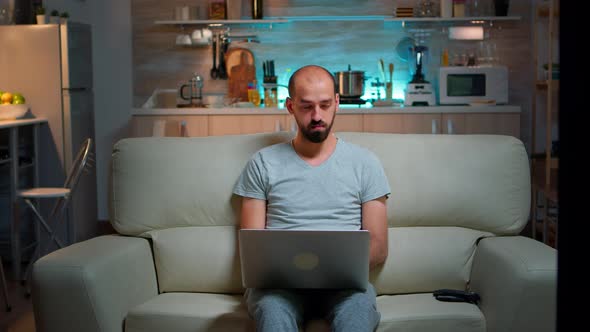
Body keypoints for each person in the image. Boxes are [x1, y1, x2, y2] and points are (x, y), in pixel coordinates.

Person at [233, 65, 391, 331]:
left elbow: (378, 246)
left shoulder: (366, 163)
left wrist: (332, 271)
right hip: (278, 289)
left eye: (325, 105)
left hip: (346, 288)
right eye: (306, 107)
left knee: (357, 313)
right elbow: (252, 244)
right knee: (272, 313)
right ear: (290, 106)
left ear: (337, 103)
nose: (317, 116)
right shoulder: (262, 163)